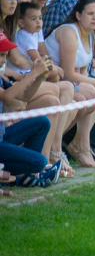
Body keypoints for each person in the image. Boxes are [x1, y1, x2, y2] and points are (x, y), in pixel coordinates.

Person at [44, 0, 95, 168]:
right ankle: (55, 149)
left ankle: (82, 145)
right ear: (78, 15)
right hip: (51, 80)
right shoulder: (69, 32)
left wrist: (94, 84)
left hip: (66, 81)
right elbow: (69, 73)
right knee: (89, 95)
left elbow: (83, 71)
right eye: (90, 14)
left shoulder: (91, 35)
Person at [0, 35, 62, 188]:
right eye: (1, 55)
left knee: (42, 122)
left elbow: (25, 96)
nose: (4, 61)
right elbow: (7, 97)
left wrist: (40, 77)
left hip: (3, 136)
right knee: (40, 162)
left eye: (5, 56)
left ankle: (26, 176)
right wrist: (34, 72)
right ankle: (24, 175)